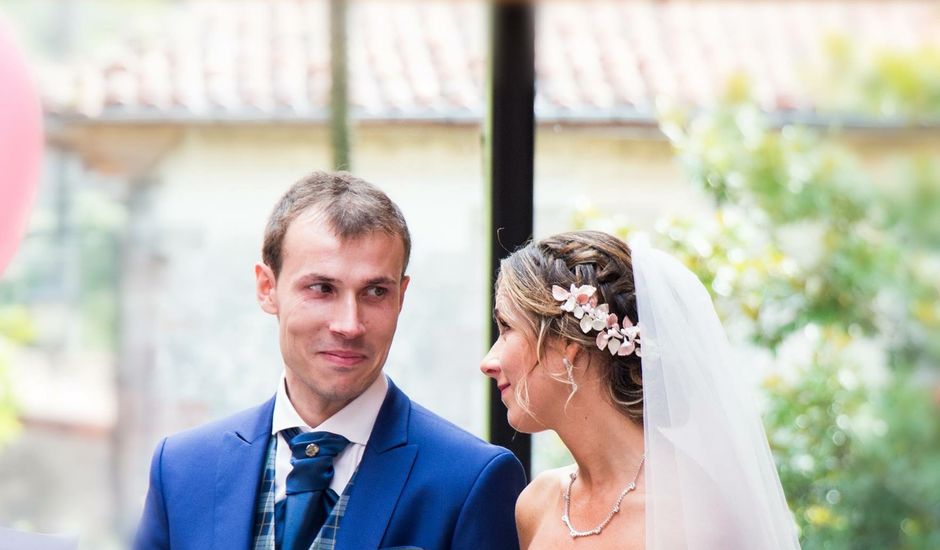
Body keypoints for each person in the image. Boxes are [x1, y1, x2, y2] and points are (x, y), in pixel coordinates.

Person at [135, 171, 526, 550]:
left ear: (401, 297)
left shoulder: (471, 480)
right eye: (322, 288)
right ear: (267, 288)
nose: (349, 325)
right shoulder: (181, 470)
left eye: (375, 291)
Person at [481, 230, 801, 549]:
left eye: (506, 327)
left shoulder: (694, 521)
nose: (488, 362)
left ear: (567, 342)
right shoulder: (536, 505)